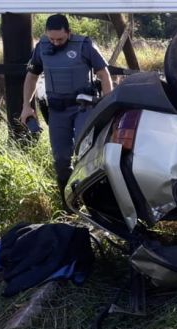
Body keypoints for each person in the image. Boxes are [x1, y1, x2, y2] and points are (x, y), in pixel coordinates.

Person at [20, 14, 113, 198]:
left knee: (85, 152)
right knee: (61, 159)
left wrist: (108, 105)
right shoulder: (41, 47)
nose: (55, 42)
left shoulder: (84, 45)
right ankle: (69, 203)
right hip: (57, 110)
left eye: (60, 39)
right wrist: (26, 106)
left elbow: (104, 74)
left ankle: (95, 199)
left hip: (83, 107)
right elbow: (31, 77)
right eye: (51, 38)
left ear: (69, 33)